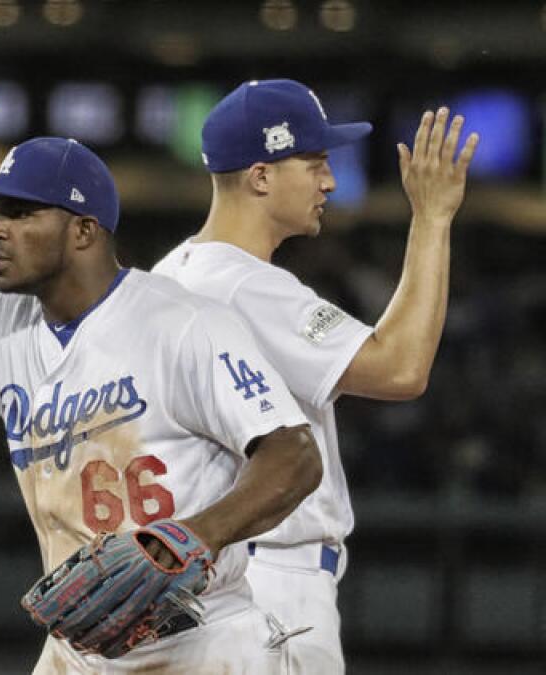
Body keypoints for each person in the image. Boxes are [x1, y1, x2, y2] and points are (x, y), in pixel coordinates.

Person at [0, 37, 325, 673]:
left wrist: (195, 536)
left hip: (203, 641)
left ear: (84, 229)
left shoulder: (184, 322)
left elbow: (295, 455)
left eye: (20, 213)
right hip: (81, 646)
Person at [152, 79, 479, 673]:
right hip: (272, 583)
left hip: (206, 583)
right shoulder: (243, 284)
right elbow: (402, 368)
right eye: (315, 162)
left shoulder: (169, 272)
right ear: (261, 176)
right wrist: (432, 219)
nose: (329, 182)